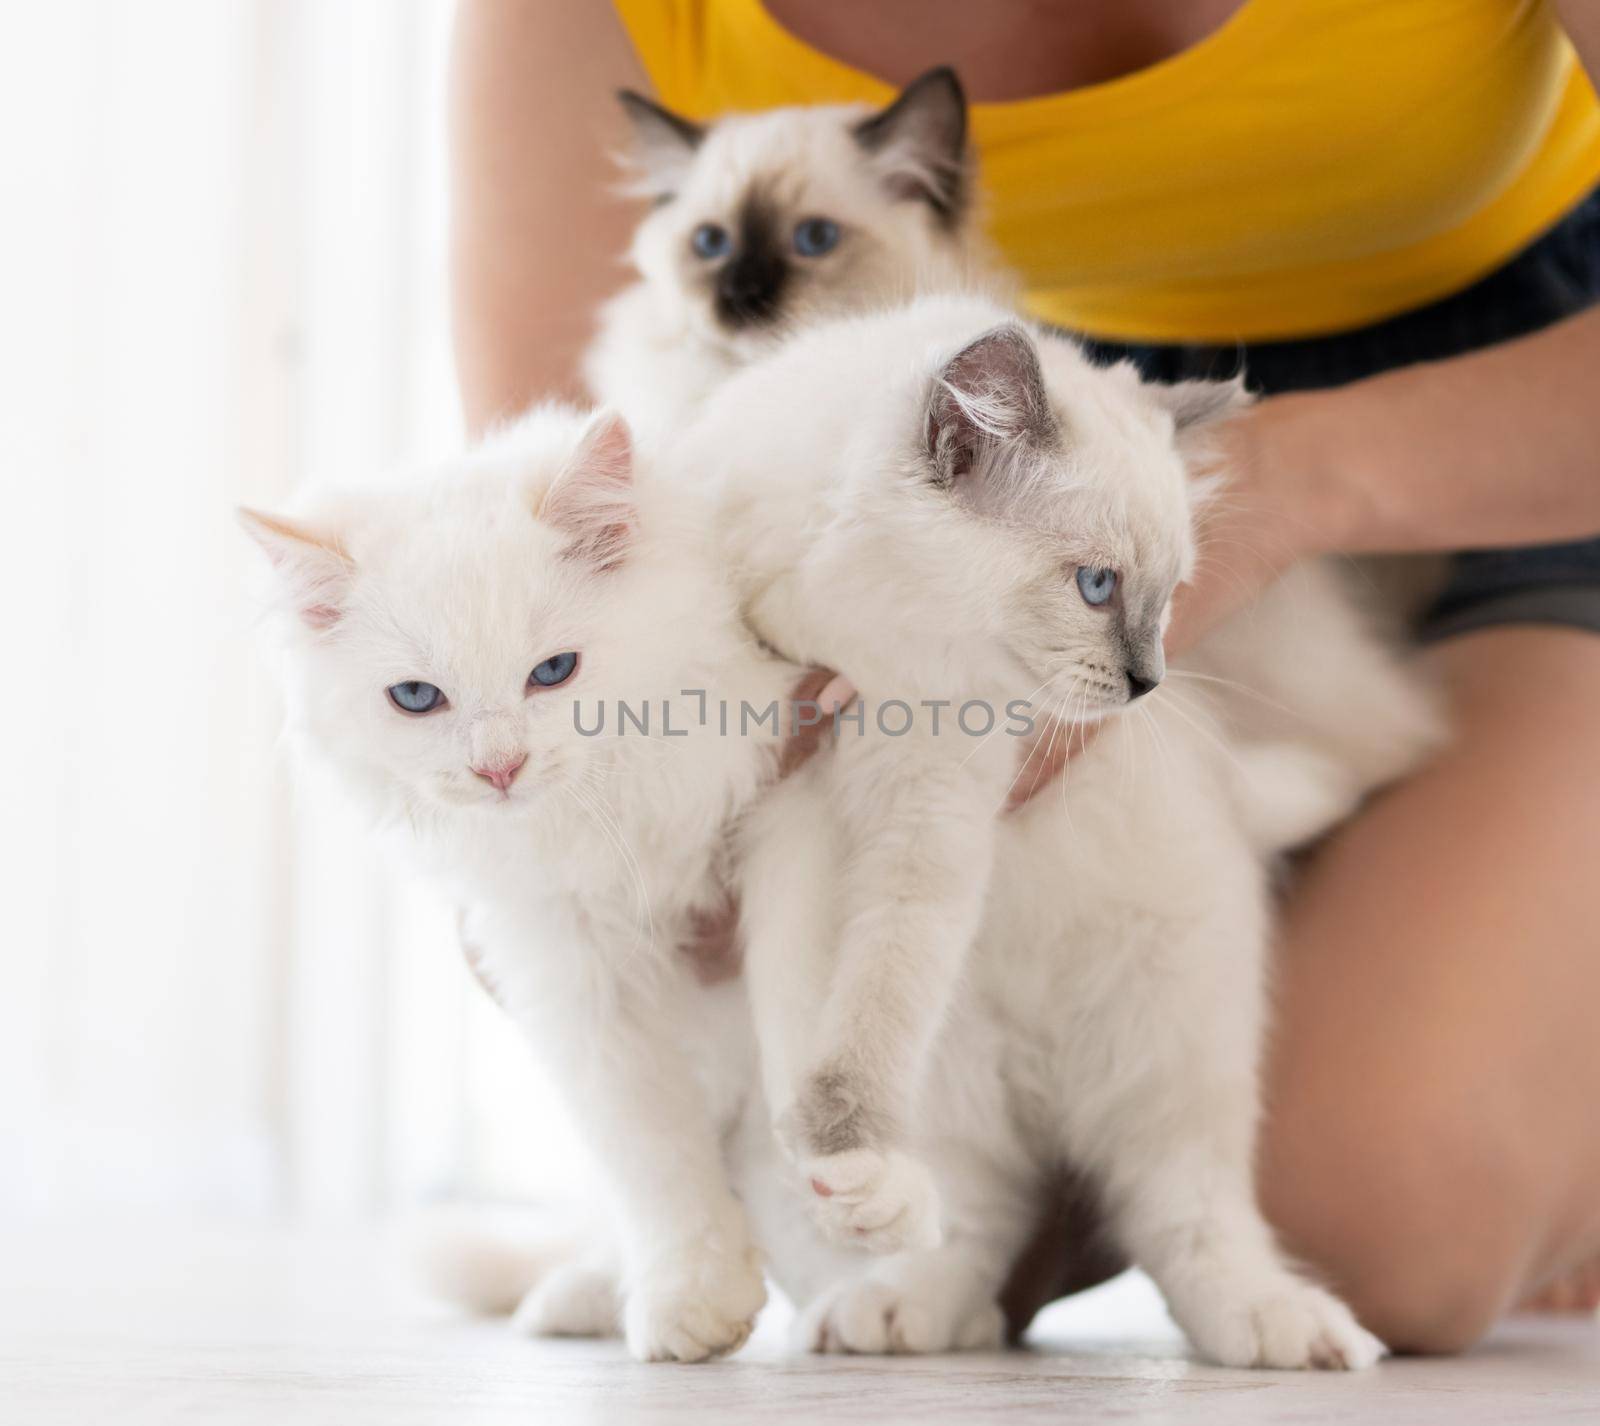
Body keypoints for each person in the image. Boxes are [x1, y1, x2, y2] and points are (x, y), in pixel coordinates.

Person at [449, 0, 1600, 1353]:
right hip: (961, 501)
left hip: (1500, 450)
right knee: (910, 1220)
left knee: (1382, 1227)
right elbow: (562, 548)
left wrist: (1292, 476)